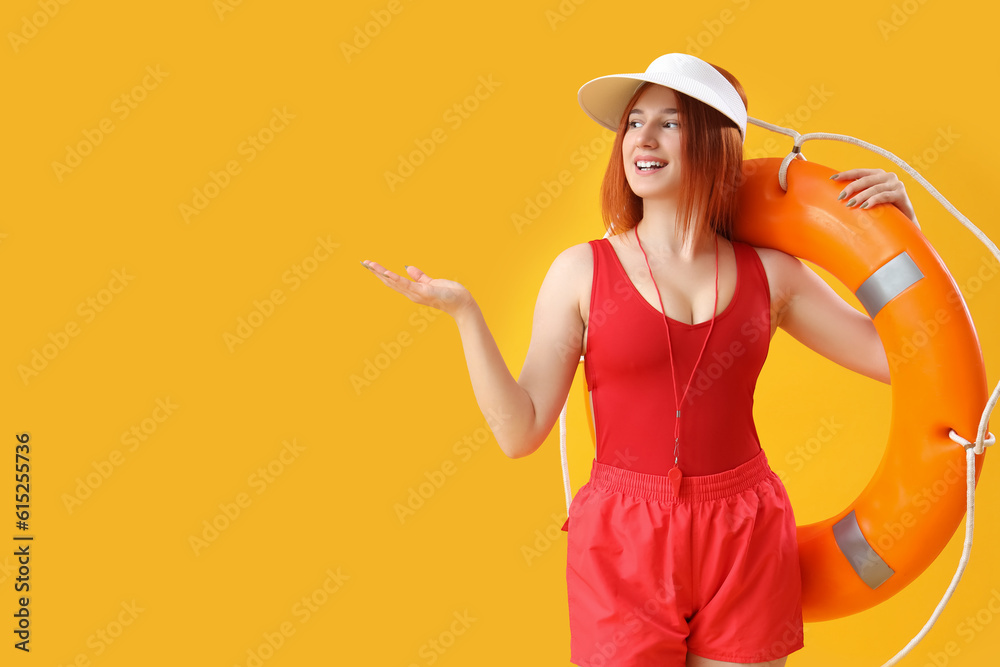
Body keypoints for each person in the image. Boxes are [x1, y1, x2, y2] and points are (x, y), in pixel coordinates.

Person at [361, 53, 918, 667]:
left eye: (669, 124)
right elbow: (520, 432)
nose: (642, 140)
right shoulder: (581, 271)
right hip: (623, 539)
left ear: (714, 143)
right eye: (633, 123)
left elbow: (901, 357)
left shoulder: (773, 275)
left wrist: (898, 237)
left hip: (744, 532)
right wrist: (465, 313)